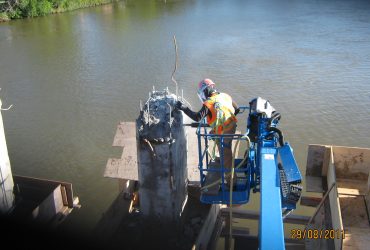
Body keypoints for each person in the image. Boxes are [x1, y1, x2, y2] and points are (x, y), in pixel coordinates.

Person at [175, 78, 240, 185]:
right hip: (231, 126)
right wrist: (225, 120)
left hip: (224, 132)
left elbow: (197, 117)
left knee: (226, 156)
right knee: (212, 134)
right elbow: (236, 109)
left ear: (205, 91)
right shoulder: (225, 95)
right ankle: (223, 154)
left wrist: (183, 108)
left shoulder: (209, 103)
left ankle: (231, 183)